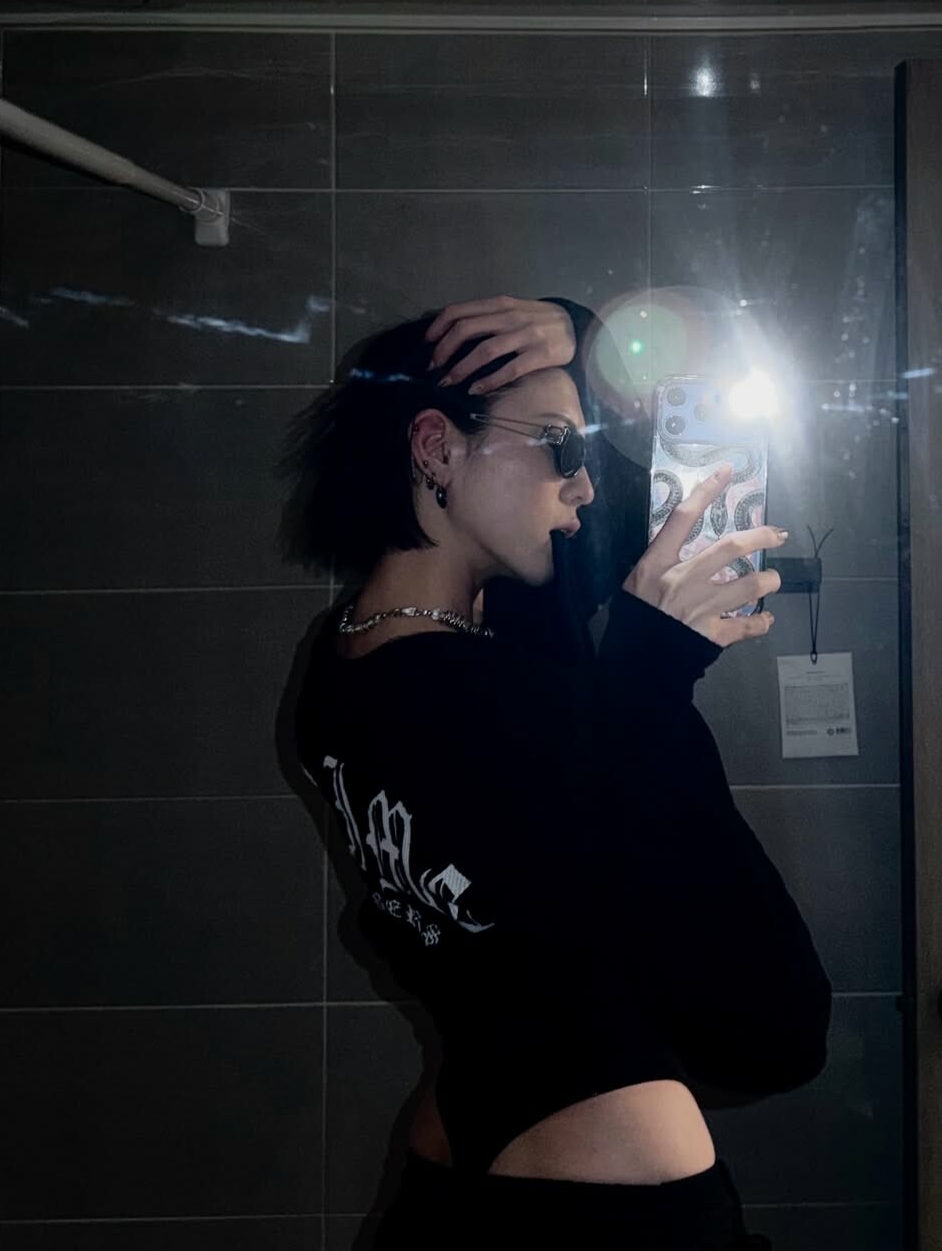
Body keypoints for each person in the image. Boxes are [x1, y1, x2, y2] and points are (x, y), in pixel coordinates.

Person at [275, 293, 832, 1250]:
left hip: (457, 1157)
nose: (582, 485)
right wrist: (650, 683)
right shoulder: (505, 699)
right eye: (560, 448)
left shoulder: (339, 666)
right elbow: (766, 1012)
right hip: (607, 1197)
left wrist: (585, 334)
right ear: (435, 448)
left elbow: (610, 538)